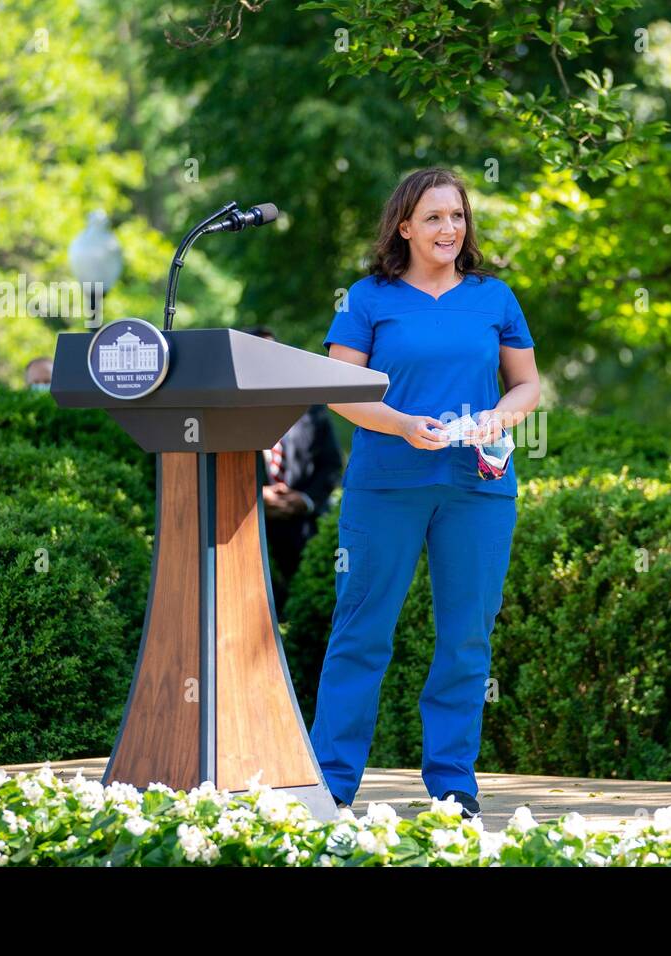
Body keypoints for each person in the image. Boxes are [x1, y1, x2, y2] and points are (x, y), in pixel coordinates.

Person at [310, 167, 541, 818]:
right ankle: (331, 788)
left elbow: (527, 384)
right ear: (404, 226)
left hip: (478, 488)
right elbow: (338, 389)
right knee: (361, 633)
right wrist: (404, 425)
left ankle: (452, 791)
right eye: (434, 217)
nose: (449, 228)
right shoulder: (365, 298)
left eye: (458, 217)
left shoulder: (494, 298)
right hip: (385, 486)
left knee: (467, 639)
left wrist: (501, 415)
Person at [242, 325, 344, 615]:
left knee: (305, 608)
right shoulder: (223, 409)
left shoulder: (309, 410)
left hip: (304, 530)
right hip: (244, 530)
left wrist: (304, 500)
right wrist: (255, 496)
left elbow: (331, 464)